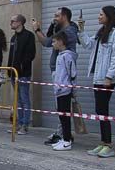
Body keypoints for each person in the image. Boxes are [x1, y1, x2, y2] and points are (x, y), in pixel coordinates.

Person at [75, 7, 115, 157]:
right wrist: (81, 30)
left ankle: (108, 145)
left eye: (101, 14)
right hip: (98, 76)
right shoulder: (102, 31)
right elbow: (88, 45)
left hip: (106, 78)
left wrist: (109, 77)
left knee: (103, 110)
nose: (98, 16)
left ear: (109, 16)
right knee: (100, 110)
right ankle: (103, 143)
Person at [32, 8, 79, 145]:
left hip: (62, 74)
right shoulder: (61, 30)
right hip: (58, 72)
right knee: (60, 106)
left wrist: (36, 30)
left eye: (57, 16)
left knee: (62, 106)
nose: (54, 18)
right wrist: (51, 27)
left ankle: (64, 136)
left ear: (64, 17)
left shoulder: (68, 32)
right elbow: (49, 39)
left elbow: (47, 42)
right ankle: (63, 134)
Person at [48, 31, 78, 152]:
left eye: (54, 41)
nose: (52, 44)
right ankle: (64, 138)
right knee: (61, 116)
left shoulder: (67, 56)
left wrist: (72, 89)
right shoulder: (60, 55)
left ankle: (67, 141)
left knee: (65, 116)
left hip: (65, 90)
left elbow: (72, 74)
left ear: (61, 42)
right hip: (59, 90)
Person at [7, 14, 35, 134]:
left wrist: (22, 66)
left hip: (23, 73)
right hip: (14, 73)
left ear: (19, 22)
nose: (11, 23)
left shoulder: (28, 36)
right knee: (17, 100)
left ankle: (25, 124)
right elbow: (11, 55)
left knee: (24, 98)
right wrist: (9, 69)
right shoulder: (14, 38)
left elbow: (31, 54)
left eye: (13, 21)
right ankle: (18, 123)